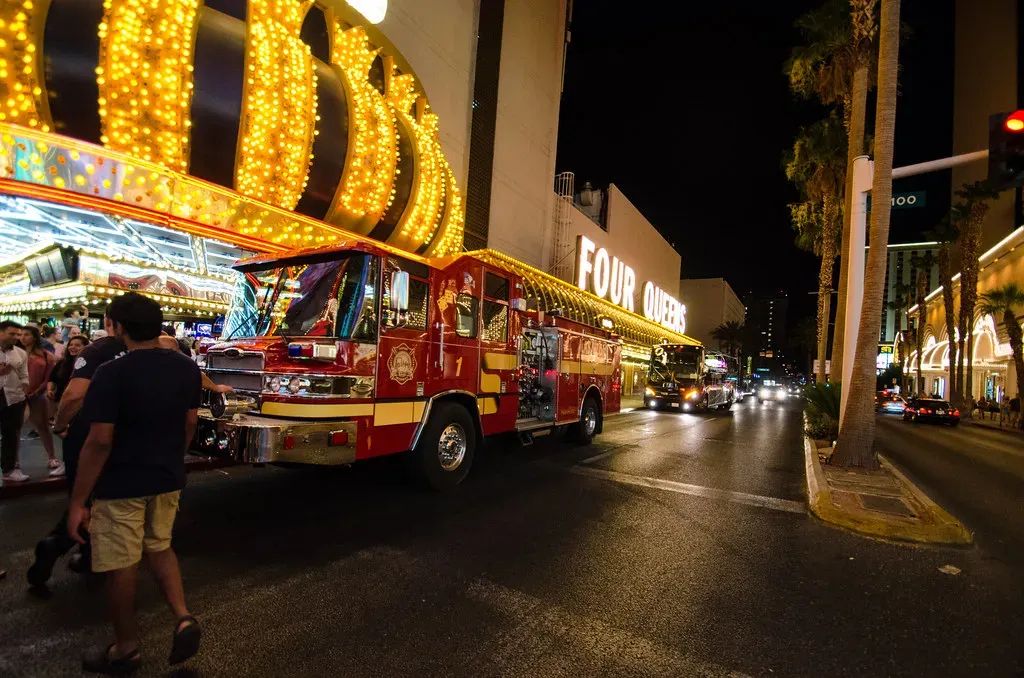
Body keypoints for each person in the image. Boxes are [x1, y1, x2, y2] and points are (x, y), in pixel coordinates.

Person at [68, 293, 202, 673]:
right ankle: (182, 616)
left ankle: (125, 648)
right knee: (160, 546)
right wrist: (175, 456)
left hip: (122, 481)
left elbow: (100, 440)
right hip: (167, 475)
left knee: (120, 564)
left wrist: (79, 500)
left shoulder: (111, 372)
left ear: (117, 327)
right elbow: (190, 422)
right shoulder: (186, 368)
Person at [28, 319, 125, 589]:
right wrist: (59, 425)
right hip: (103, 435)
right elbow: (73, 395)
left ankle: (84, 553)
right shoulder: (139, 351)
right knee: (94, 500)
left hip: (91, 431)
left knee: (90, 499)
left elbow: (73, 397)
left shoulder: (100, 351)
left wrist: (60, 425)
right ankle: (61, 544)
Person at [20, 325, 61, 475]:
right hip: (17, 395)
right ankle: (14, 461)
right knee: (14, 429)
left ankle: (52, 457)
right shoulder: (16, 353)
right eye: (21, 335)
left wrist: (37, 390)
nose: (23, 338)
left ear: (35, 337)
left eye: (26, 335)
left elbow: (48, 377)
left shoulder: (46, 355)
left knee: (43, 427)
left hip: (37, 395)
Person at [0, 320, 30, 483]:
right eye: (12, 334)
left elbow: (24, 374)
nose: (16, 337)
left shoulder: (20, 353)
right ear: (1, 332)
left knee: (10, 433)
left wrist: (24, 391)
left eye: (17, 334)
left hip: (13, 397)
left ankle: (9, 469)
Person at [47, 335, 89, 406]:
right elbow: (52, 378)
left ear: (85, 347)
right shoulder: (62, 362)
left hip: (79, 403)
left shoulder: (89, 364)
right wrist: (50, 390)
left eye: (77, 345)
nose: (73, 347)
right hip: (60, 400)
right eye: (71, 345)